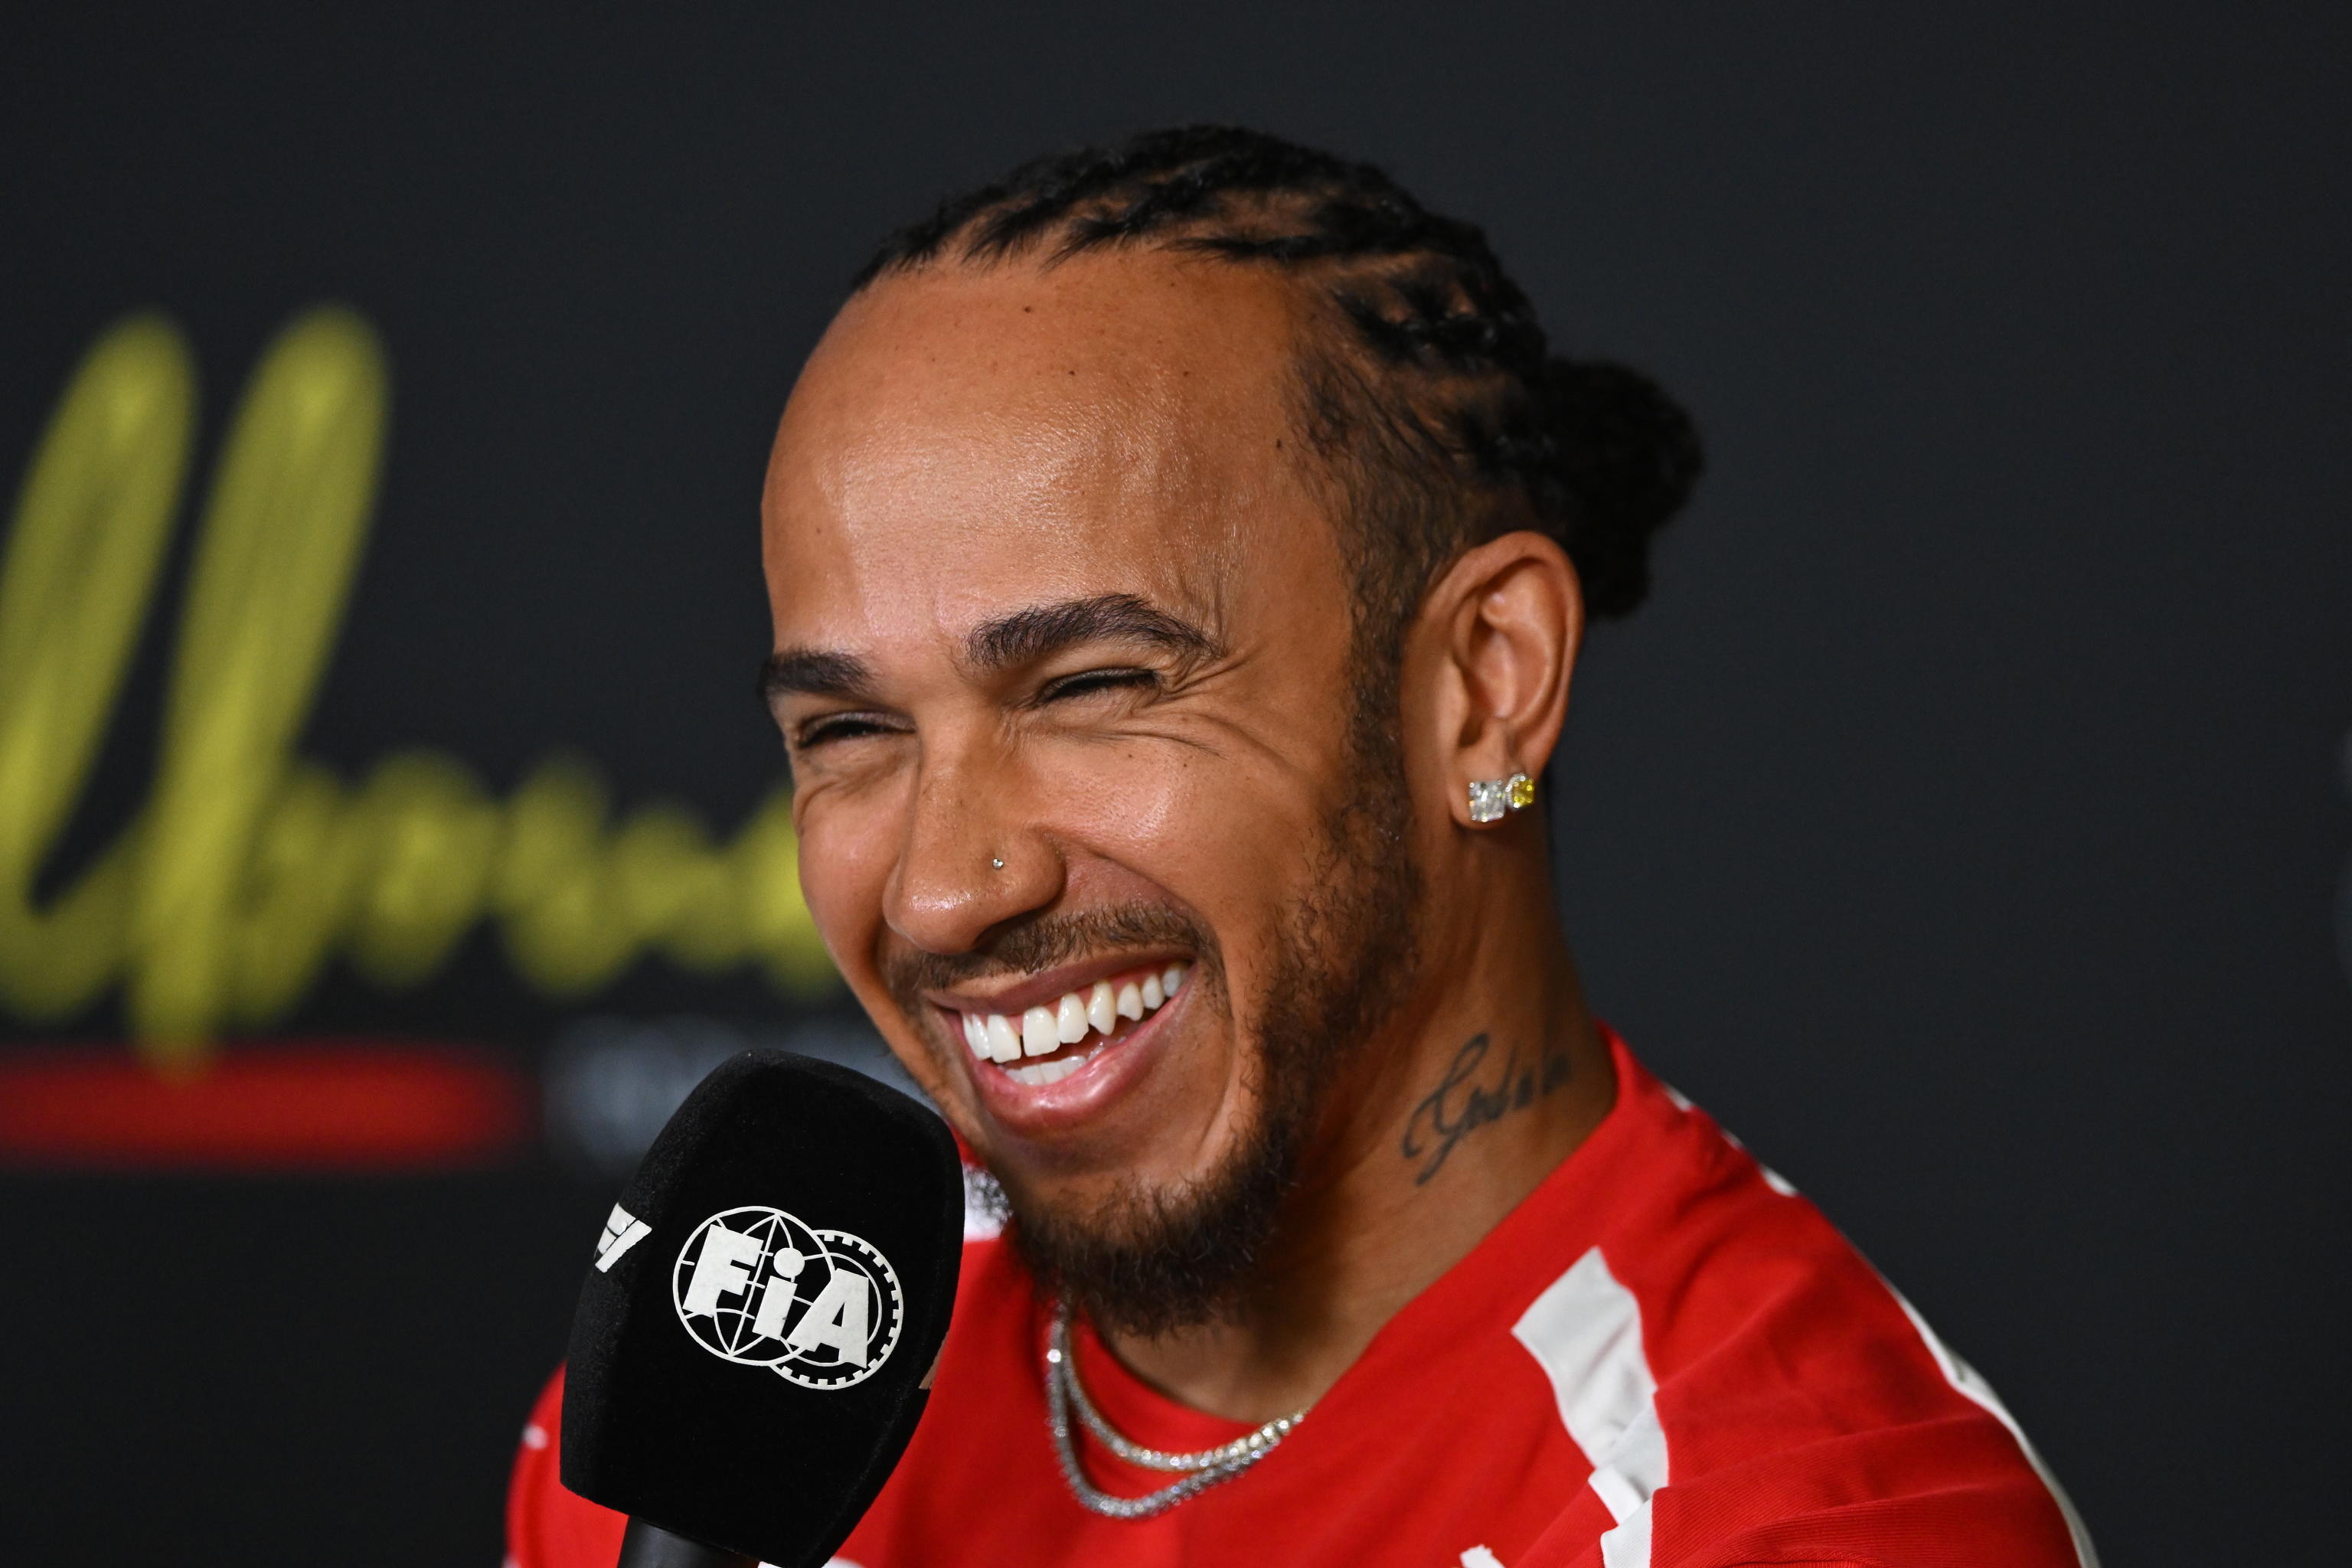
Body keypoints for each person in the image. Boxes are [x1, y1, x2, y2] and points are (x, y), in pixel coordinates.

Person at [508, 126, 2095, 1568]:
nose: (936, 891)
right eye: (849, 730)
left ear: (1483, 687)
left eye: (1092, 687)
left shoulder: (1817, 1527)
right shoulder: (728, 1397)